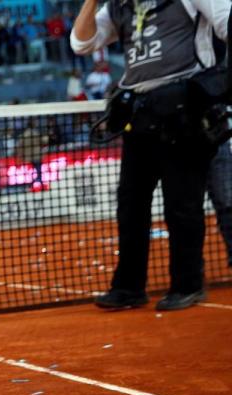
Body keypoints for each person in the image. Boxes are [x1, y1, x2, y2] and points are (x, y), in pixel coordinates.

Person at [72, 0, 229, 311]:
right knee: (130, 205)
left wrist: (221, 83)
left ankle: (188, 285)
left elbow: (227, 21)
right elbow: (81, 43)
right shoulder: (120, 6)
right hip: (140, 110)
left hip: (184, 107)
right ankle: (128, 287)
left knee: (182, 204)